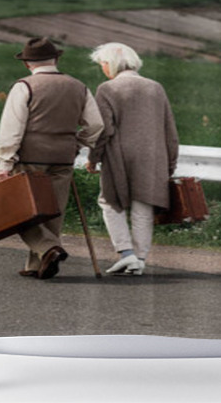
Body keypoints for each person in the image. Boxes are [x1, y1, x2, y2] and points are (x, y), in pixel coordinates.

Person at [0, 36, 103, 280]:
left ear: (27, 64)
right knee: (52, 211)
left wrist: (5, 162)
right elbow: (96, 125)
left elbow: (12, 129)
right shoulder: (78, 86)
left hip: (30, 157)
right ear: (56, 59)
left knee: (20, 212)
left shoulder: (25, 86)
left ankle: (47, 249)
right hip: (63, 158)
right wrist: (78, 143)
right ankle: (36, 264)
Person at [86, 42, 179, 276]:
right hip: (153, 157)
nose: (103, 68)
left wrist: (93, 158)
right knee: (143, 206)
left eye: (103, 64)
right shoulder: (155, 88)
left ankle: (126, 254)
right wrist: (170, 163)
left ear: (111, 64)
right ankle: (139, 258)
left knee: (110, 201)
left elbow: (104, 129)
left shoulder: (108, 89)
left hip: (119, 157)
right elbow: (169, 130)